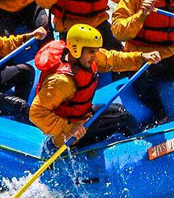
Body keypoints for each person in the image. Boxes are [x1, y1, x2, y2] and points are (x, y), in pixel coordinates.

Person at [30, 24, 160, 149]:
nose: (95, 56)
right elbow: (36, 113)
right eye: (92, 52)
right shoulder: (62, 82)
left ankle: (131, 141)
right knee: (124, 119)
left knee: (118, 109)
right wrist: (69, 129)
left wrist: (141, 57)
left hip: (81, 117)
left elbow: (112, 59)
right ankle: (142, 148)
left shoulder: (84, 57)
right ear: (76, 49)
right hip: (68, 136)